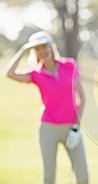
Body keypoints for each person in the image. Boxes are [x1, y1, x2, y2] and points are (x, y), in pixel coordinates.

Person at [6, 31, 89, 184]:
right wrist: (24, 49)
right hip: (48, 129)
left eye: (44, 46)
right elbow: (9, 73)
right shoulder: (36, 74)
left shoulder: (70, 65)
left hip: (71, 128)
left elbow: (82, 98)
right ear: (34, 52)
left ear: (51, 47)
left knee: (82, 176)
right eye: (37, 48)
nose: (42, 51)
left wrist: (76, 127)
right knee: (49, 177)